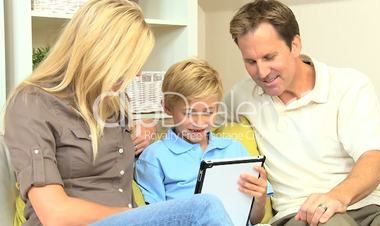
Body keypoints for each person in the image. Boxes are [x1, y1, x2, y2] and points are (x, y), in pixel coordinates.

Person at [3, 0, 233, 225]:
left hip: (127, 219)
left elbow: (108, 155)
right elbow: (54, 214)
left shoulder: (114, 102)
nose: (138, 73)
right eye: (130, 62)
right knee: (204, 207)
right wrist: (132, 215)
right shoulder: (31, 103)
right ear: (101, 53)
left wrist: (140, 132)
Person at [225, 0, 380, 226]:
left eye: (269, 57)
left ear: (295, 45)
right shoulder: (242, 96)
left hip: (374, 207)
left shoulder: (349, 85)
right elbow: (197, 126)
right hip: (302, 214)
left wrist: (336, 197)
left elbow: (373, 163)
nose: (261, 72)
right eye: (250, 61)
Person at [135, 58, 267, 225]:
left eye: (208, 112)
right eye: (189, 113)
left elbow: (254, 219)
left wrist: (260, 197)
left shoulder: (235, 149)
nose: (199, 121)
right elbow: (152, 219)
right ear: (167, 107)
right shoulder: (154, 157)